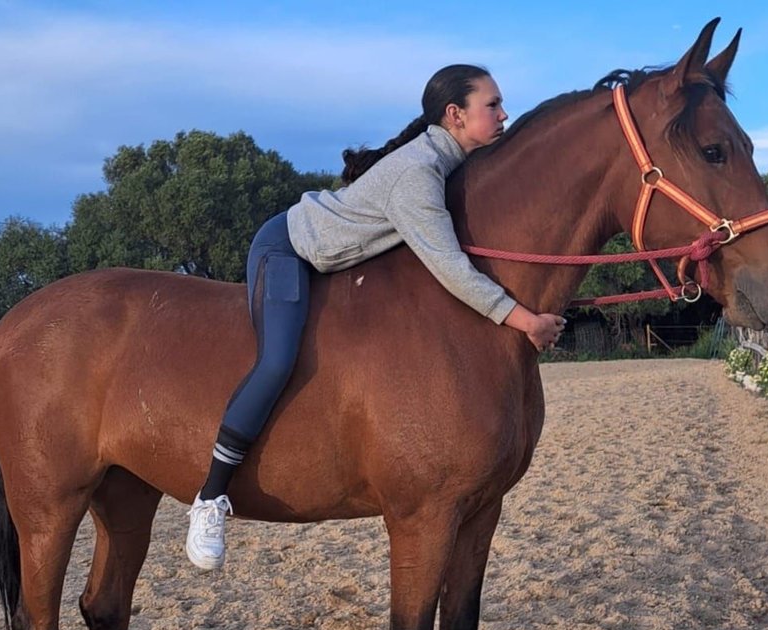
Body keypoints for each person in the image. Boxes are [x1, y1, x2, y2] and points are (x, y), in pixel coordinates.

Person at [186, 64, 565, 570]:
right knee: (277, 361)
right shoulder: (419, 173)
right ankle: (211, 498)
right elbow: (450, 266)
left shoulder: (449, 162)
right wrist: (525, 321)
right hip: (289, 249)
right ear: (455, 115)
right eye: (492, 105)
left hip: (341, 255)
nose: (503, 114)